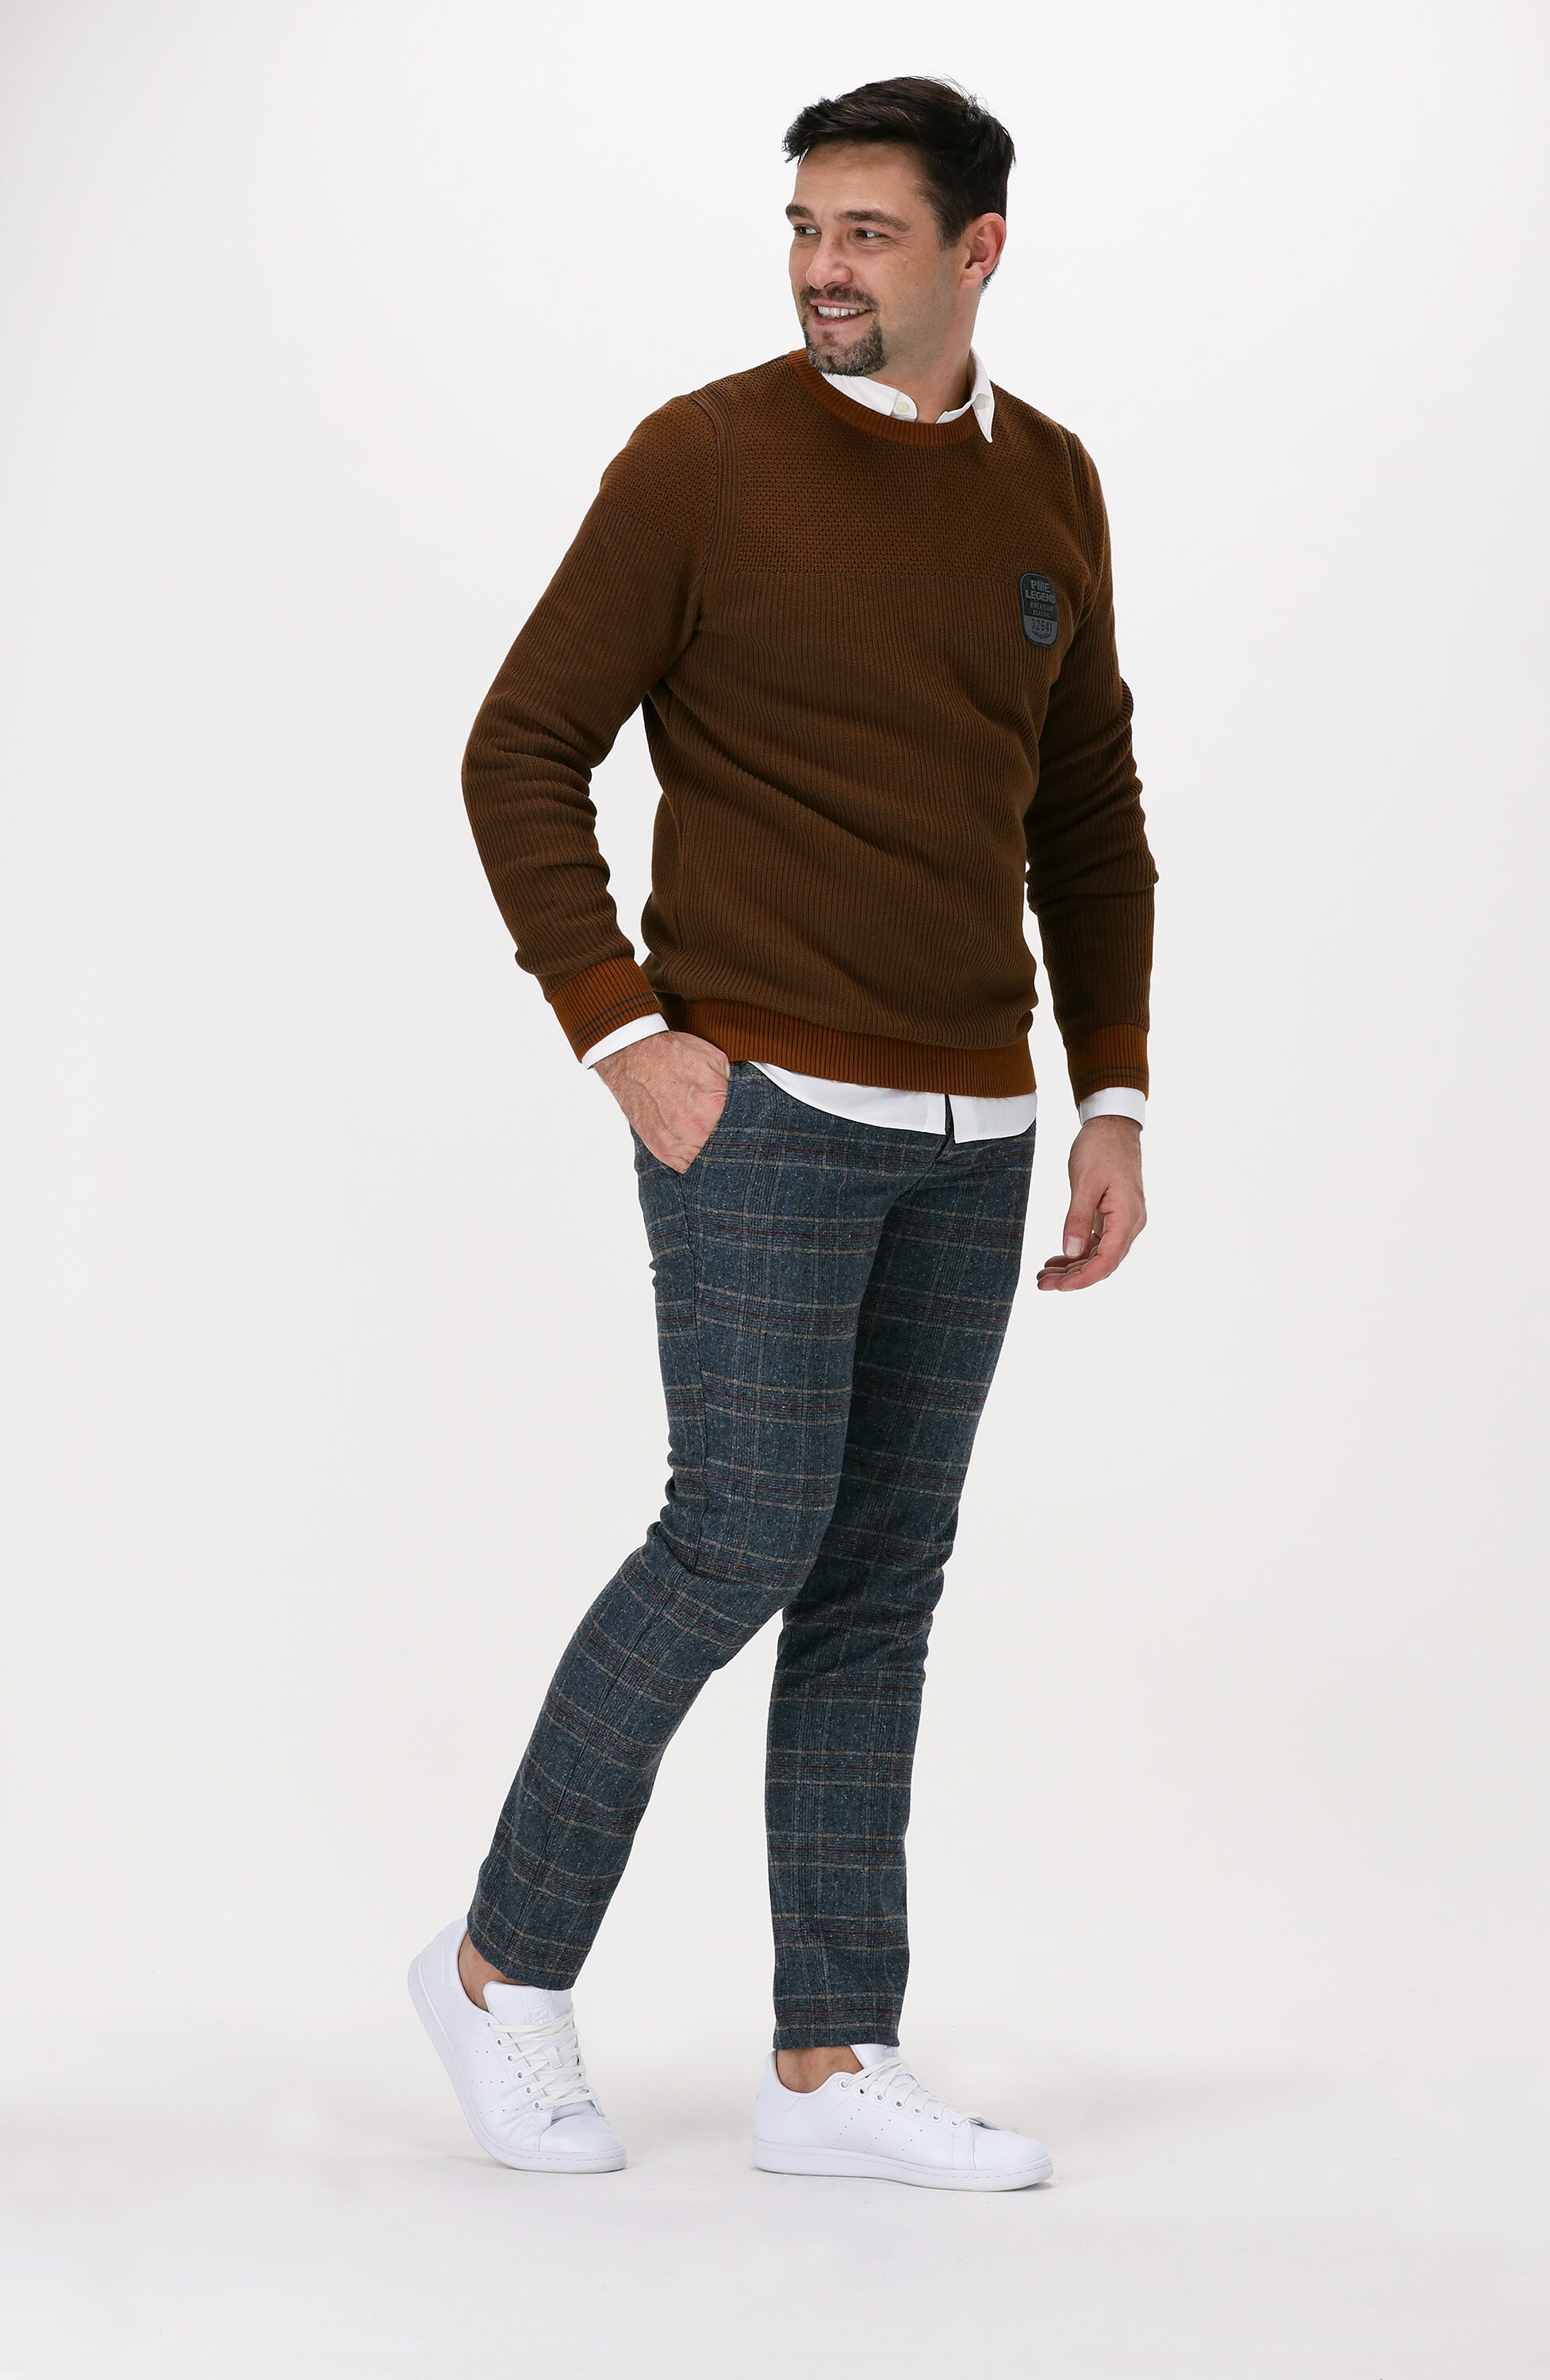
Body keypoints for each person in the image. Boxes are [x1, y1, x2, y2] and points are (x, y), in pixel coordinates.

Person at [409, 74, 1156, 2193]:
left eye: (868, 233)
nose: (824, 267)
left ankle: (829, 2060)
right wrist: (623, 1033)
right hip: (760, 1102)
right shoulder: (708, 458)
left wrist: (1109, 1087)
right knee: (737, 1534)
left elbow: (1087, 808)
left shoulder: (1052, 485)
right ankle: (495, 1968)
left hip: (977, 1121)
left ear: (976, 251)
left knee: (880, 1576)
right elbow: (520, 747)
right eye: (806, 227)